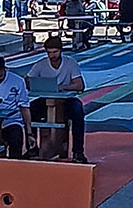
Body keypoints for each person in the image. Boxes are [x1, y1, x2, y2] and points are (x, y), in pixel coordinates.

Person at [26, 34, 88, 163]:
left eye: (55, 52)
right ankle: (32, 148)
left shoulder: (70, 63)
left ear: (61, 50)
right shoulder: (41, 64)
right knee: (29, 112)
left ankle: (78, 151)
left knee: (78, 112)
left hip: (67, 101)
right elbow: (27, 81)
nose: (52, 55)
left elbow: (80, 85)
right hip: (45, 99)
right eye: (49, 53)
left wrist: (63, 87)